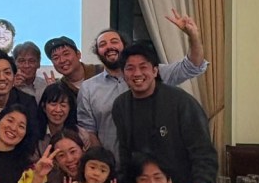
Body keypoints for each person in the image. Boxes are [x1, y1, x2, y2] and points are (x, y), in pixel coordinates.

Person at [77, 13, 208, 157]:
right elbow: (88, 131)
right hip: (112, 169)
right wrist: (103, 164)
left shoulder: (151, 73)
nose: (109, 47)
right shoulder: (88, 88)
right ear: (97, 52)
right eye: (102, 44)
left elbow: (192, 66)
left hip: (155, 169)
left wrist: (193, 36)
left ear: (124, 46)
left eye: (114, 41)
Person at [112, 43, 218, 183]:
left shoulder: (180, 101)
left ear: (155, 71)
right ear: (123, 74)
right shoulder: (121, 105)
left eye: (143, 67)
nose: (137, 73)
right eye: (130, 68)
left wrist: (202, 182)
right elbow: (125, 152)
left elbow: (202, 149)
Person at [35, 82, 84, 155]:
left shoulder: (81, 135)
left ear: (70, 108)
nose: (58, 110)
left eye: (63, 105)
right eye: (53, 104)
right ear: (43, 107)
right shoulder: (33, 135)